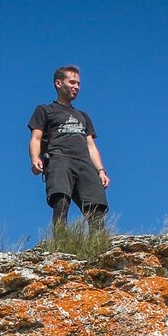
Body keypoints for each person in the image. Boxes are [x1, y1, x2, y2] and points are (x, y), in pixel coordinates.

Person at [28, 65, 110, 231]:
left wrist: (101, 170)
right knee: (61, 200)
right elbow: (36, 137)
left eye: (78, 84)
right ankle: (60, 243)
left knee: (96, 207)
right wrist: (35, 158)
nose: (76, 87)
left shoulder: (83, 116)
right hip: (59, 158)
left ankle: (99, 247)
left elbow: (91, 145)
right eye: (72, 82)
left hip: (85, 164)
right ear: (59, 83)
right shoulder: (45, 110)